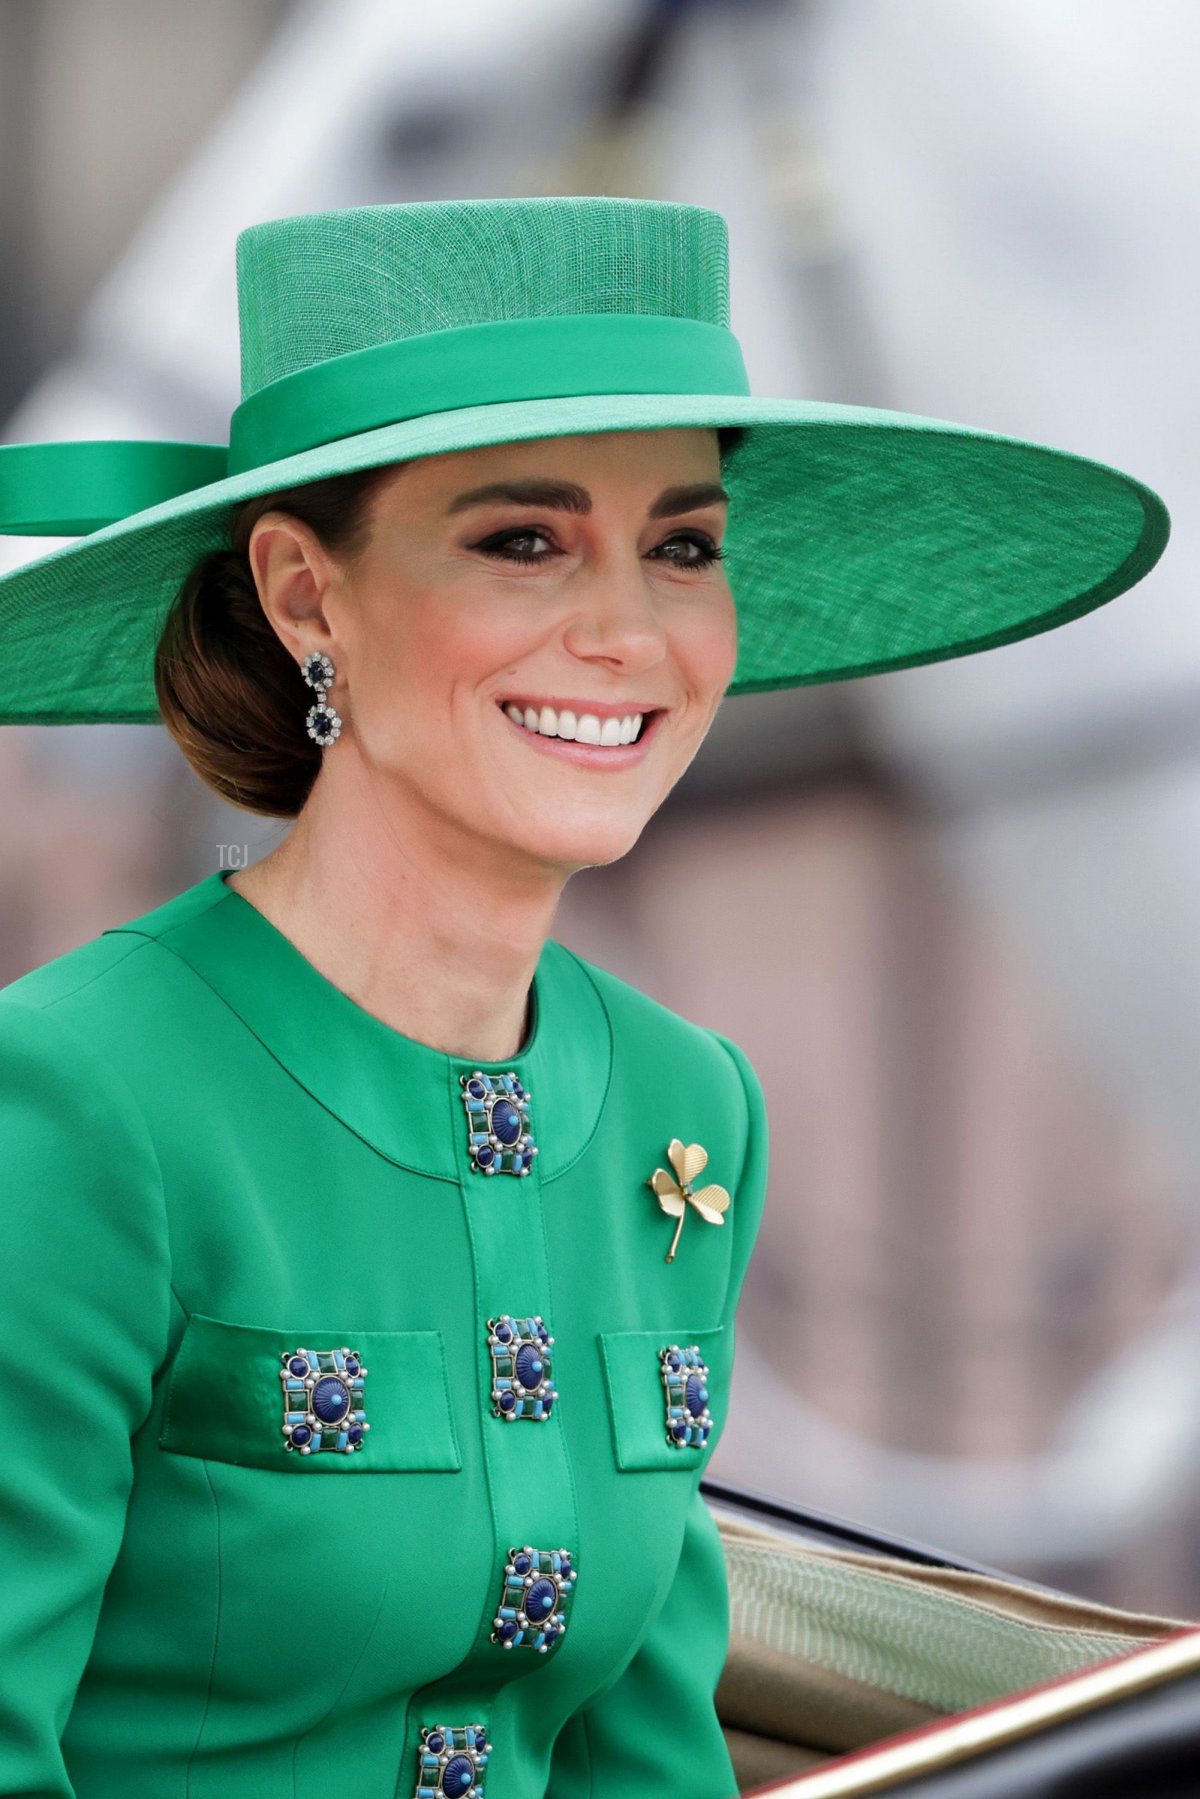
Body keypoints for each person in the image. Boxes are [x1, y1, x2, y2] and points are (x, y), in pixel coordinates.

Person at [0, 195, 1168, 1799]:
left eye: (682, 547)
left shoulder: (690, 1109)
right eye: (524, 541)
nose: (628, 633)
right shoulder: (70, 1103)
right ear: (303, 594)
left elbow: (649, 1755)